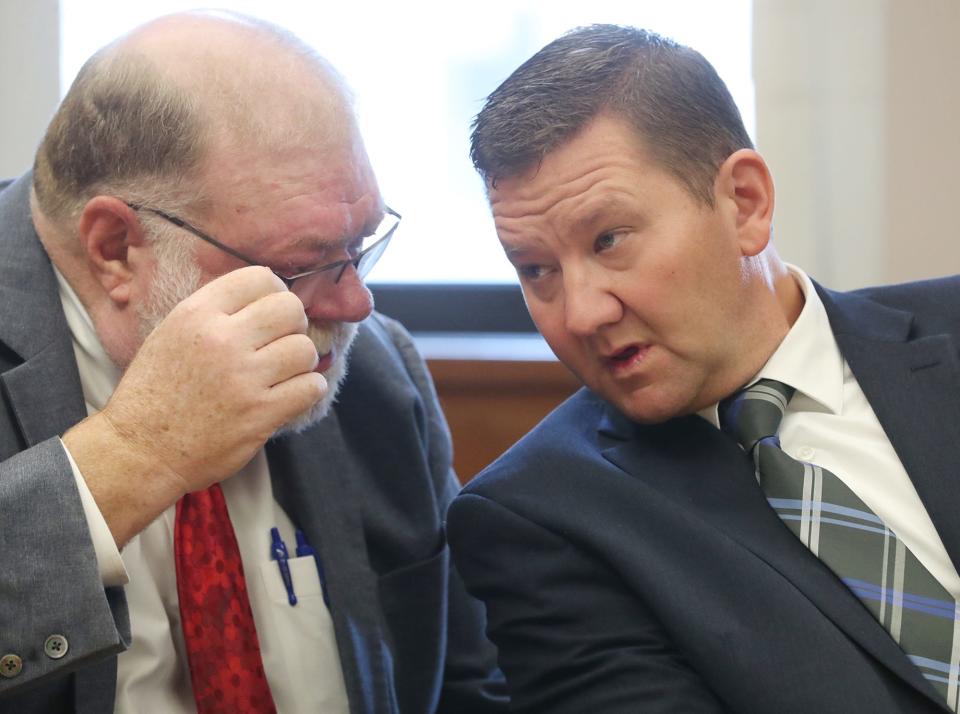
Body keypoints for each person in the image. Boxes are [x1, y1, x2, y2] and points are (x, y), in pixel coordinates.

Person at [0, 11, 506, 714]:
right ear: (115, 246)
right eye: (301, 266)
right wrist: (134, 451)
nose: (357, 303)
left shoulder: (378, 377)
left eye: (360, 245)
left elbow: (470, 686)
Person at [446, 23, 960, 714]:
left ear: (745, 203)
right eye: (536, 270)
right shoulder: (543, 519)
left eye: (609, 240)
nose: (580, 313)